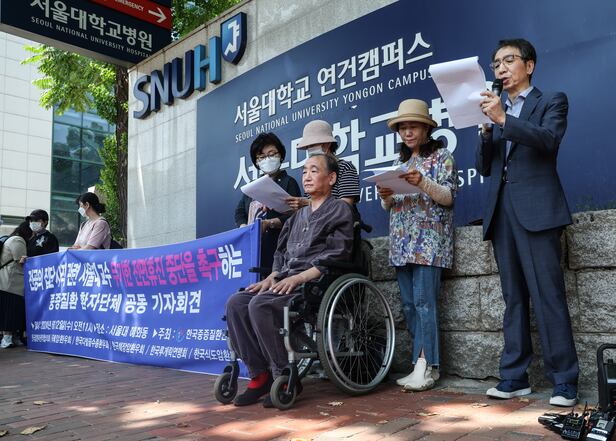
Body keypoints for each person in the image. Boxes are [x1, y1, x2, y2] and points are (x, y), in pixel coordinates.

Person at [476, 38, 579, 406]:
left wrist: (504, 120)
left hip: (538, 210)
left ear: (529, 65)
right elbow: (484, 166)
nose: (501, 69)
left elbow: (548, 140)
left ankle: (564, 380)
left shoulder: (551, 100)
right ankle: (514, 376)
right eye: (496, 64)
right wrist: (486, 131)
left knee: (548, 295)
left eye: (508, 60)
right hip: (502, 211)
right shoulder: (495, 110)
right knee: (513, 298)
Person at [225, 153, 354, 407]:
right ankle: (259, 376)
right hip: (286, 278)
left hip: (314, 282)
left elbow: (338, 253)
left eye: (314, 170)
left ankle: (284, 375)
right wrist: (272, 276)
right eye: (304, 171)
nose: (307, 176)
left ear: (331, 178)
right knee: (236, 303)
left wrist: (299, 277)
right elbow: (281, 253)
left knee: (260, 305)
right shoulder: (296, 216)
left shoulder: (340, 209)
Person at [377, 99, 457, 391]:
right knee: (410, 306)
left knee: (424, 303)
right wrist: (386, 196)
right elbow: (390, 206)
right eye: (403, 128)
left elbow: (448, 197)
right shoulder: (400, 164)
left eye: (413, 126)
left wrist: (422, 182)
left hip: (429, 243)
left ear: (427, 129)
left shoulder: (442, 156)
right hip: (402, 244)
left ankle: (428, 366)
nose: (407, 132)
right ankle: (418, 364)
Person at [235, 133, 301, 272]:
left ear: (280, 155)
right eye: (262, 156)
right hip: (253, 248)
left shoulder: (288, 182)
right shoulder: (252, 186)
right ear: (256, 162)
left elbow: (296, 215)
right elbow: (240, 211)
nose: (267, 159)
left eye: (272, 154)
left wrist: (269, 223)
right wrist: (244, 227)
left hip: (279, 247)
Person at [286, 120, 360, 210]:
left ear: (327, 144)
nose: (310, 149)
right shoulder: (309, 175)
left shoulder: (345, 167)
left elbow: (345, 206)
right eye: (308, 147)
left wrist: (307, 203)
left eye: (312, 145)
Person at [0, 221, 32, 349]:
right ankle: (6, 338)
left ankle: (12, 337)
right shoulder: (18, 240)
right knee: (9, 311)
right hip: (11, 282)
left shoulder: (12, 238)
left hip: (9, 281)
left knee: (12, 311)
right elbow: (21, 260)